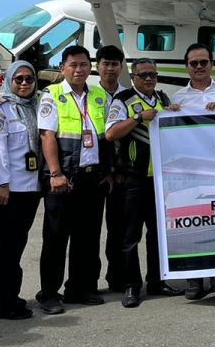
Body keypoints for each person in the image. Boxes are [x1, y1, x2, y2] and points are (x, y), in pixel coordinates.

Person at [36, 45, 109, 314]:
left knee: (87, 237)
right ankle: (48, 294)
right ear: (63, 68)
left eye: (83, 64)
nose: (79, 69)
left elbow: (107, 136)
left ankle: (79, 288)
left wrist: (108, 171)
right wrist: (55, 173)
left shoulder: (100, 95)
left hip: (93, 177)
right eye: (73, 65)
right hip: (64, 177)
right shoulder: (52, 94)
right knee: (55, 238)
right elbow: (47, 136)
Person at [105, 58, 181, 308]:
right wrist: (138, 117)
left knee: (157, 234)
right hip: (133, 178)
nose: (149, 79)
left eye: (152, 74)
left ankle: (157, 281)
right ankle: (131, 286)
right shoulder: (123, 99)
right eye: (143, 75)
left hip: (159, 178)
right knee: (130, 235)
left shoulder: (162, 98)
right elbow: (111, 133)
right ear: (133, 77)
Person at [169, 43, 215, 300]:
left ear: (211, 64)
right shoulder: (177, 98)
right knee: (192, 224)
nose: (199, 67)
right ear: (187, 66)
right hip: (192, 172)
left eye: (203, 62)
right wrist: (171, 116)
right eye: (193, 63)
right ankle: (194, 280)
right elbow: (172, 136)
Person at [0, 60, 41, 320]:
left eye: (29, 79)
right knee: (5, 246)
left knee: (18, 244)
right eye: (18, 79)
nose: (23, 84)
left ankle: (13, 294)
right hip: (9, 189)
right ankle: (2, 301)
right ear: (9, 80)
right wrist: (2, 184)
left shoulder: (35, 107)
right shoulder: (1, 110)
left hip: (31, 187)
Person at [94, 45, 127, 294]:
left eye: (115, 64)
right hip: (97, 172)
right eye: (106, 63)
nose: (110, 68)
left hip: (122, 173)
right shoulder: (90, 95)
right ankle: (87, 281)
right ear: (98, 66)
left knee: (119, 229)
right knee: (91, 230)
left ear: (121, 66)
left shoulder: (128, 96)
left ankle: (117, 277)